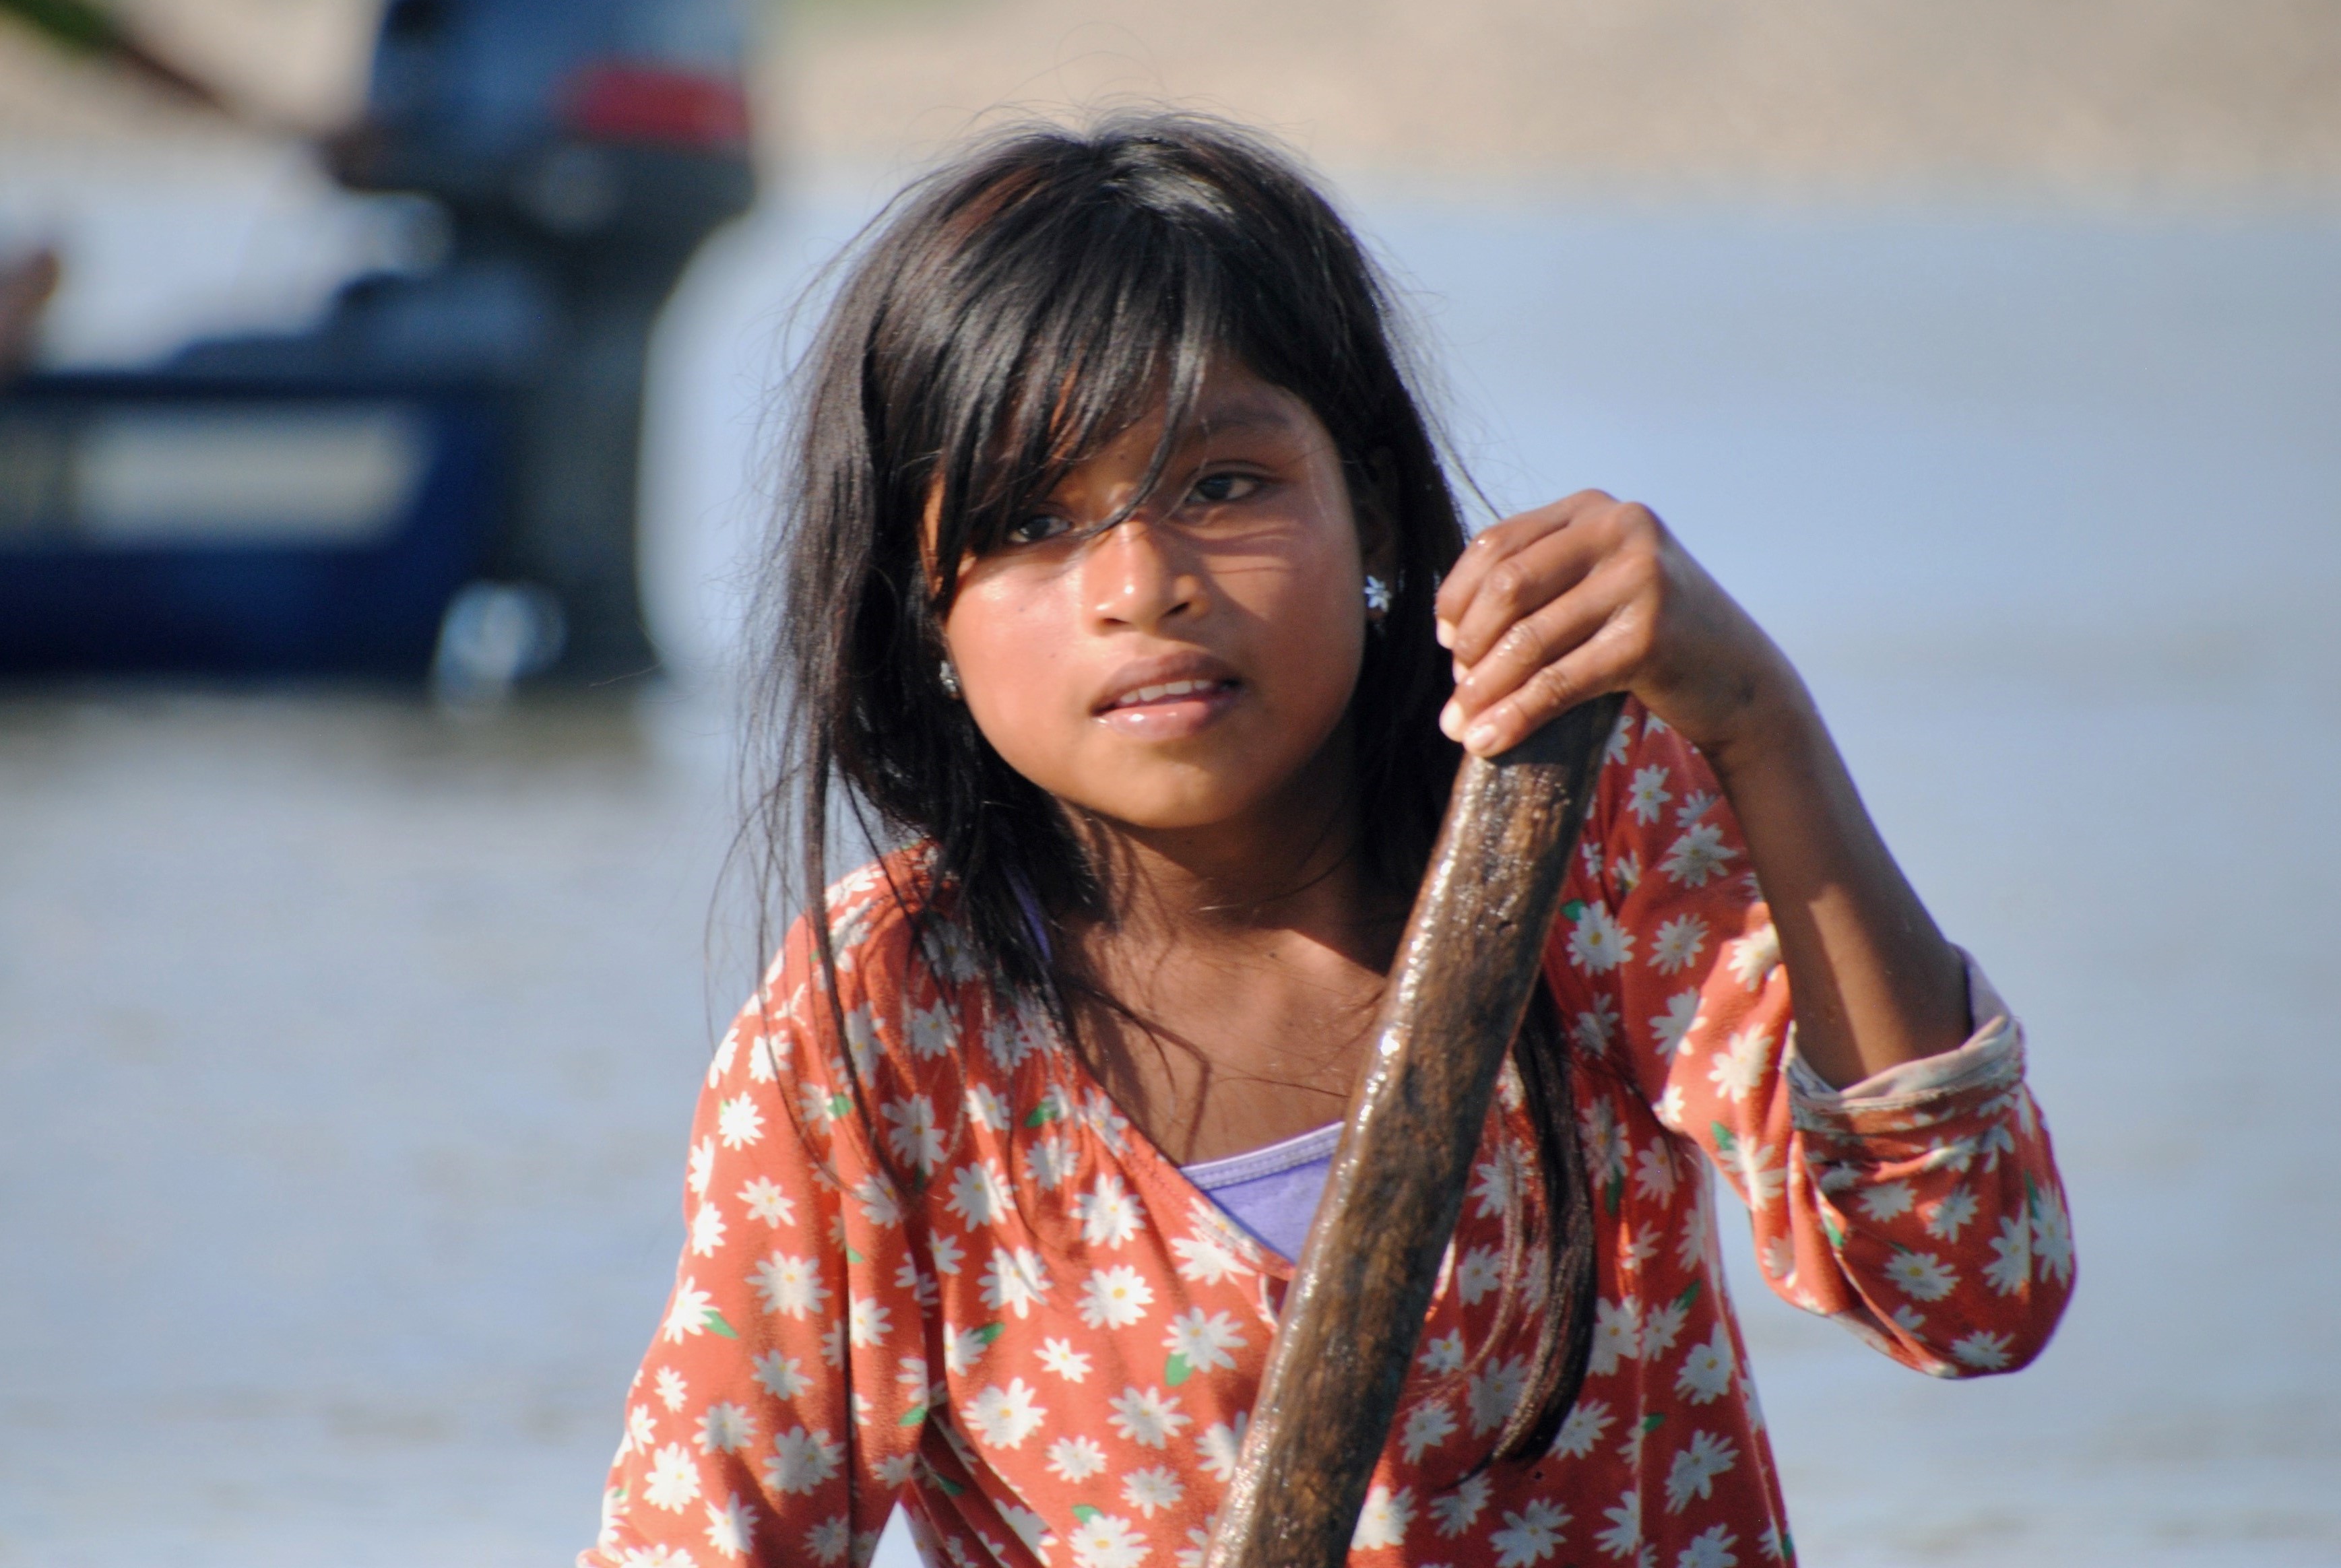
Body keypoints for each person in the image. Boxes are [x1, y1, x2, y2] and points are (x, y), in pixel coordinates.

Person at [581, 115, 2072, 1568]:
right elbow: (709, 1532)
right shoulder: (885, 1026)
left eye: (1222, 487)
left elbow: (1972, 1289)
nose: (1142, 584)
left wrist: (1757, 722)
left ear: (1363, 508)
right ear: (924, 613)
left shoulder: (1578, 831)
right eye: (1035, 522)